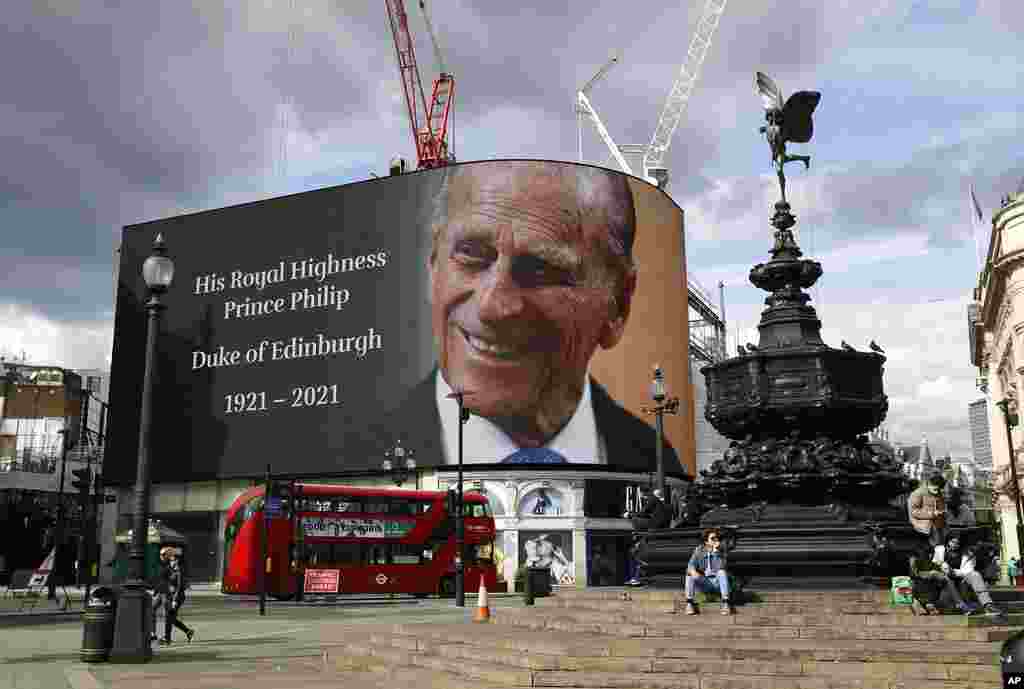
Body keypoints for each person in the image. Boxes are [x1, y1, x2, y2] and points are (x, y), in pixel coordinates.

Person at [372, 161, 682, 473]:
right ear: (433, 265)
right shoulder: (354, 453)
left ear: (618, 305)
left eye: (540, 270)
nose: (492, 306)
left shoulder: (658, 462)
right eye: (472, 255)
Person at [939, 534, 1006, 619]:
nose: (955, 545)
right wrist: (944, 567)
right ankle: (962, 605)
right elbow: (936, 564)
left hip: (960, 580)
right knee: (945, 578)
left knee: (975, 574)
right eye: (953, 542)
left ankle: (988, 605)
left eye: (957, 543)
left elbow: (967, 571)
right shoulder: (940, 550)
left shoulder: (967, 556)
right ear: (948, 542)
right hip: (946, 582)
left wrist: (953, 571)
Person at [907, 541, 971, 616]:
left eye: (931, 554)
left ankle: (958, 604)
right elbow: (914, 575)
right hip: (919, 589)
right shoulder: (914, 560)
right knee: (916, 583)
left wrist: (940, 573)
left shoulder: (931, 562)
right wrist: (930, 574)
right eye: (928, 554)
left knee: (946, 579)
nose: (931, 556)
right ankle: (927, 604)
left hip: (931, 591)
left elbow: (940, 573)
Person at [684, 527, 733, 615]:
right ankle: (689, 603)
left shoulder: (722, 550)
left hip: (718, 583)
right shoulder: (699, 550)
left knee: (721, 572)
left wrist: (716, 552)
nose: (716, 540)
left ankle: (726, 603)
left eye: (717, 538)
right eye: (712, 538)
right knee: (689, 573)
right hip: (705, 582)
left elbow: (722, 567)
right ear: (706, 541)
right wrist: (693, 571)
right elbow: (690, 565)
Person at [153, 547, 194, 645]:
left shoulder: (179, 571)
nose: (172, 561)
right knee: (171, 618)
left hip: (178, 597)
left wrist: (175, 600)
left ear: (177, 560)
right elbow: (162, 580)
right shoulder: (170, 568)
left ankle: (167, 639)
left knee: (169, 617)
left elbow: (179, 587)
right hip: (170, 595)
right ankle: (188, 631)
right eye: (171, 559)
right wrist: (156, 591)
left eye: (173, 559)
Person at [908, 474, 948, 561]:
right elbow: (913, 511)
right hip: (924, 528)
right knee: (925, 554)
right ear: (929, 484)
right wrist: (932, 514)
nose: (937, 492)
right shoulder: (918, 493)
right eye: (935, 489)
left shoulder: (938, 493)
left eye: (939, 490)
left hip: (938, 528)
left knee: (938, 552)